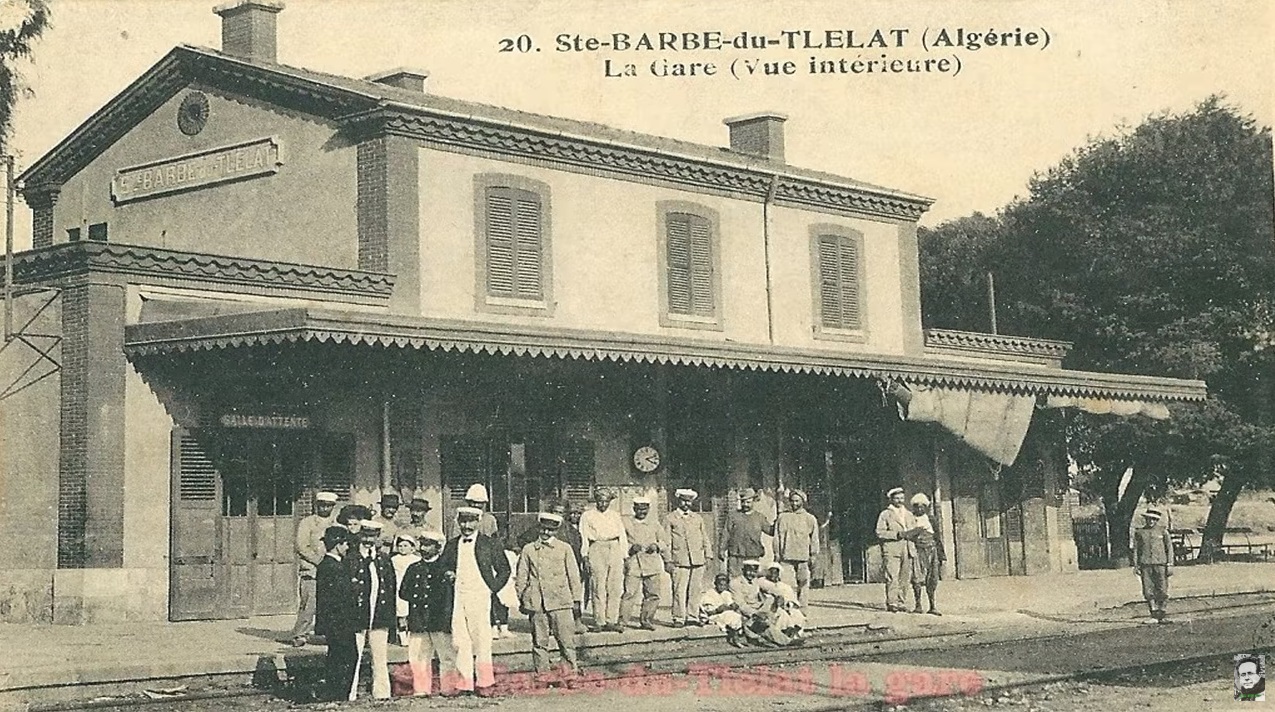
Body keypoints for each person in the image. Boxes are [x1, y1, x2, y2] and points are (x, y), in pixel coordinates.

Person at [439, 506, 511, 697]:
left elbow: (504, 569)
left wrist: (492, 588)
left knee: (482, 640)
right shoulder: (452, 544)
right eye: (463, 521)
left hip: (480, 596)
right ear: (458, 522)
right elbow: (442, 566)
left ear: (478, 522)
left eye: (471, 521)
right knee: (460, 641)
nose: (467, 525)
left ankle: (485, 682)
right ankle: (464, 683)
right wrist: (448, 573)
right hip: (458, 596)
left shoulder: (489, 544)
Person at [516, 512, 583, 679]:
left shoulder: (564, 548)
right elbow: (521, 576)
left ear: (556, 531)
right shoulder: (529, 549)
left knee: (566, 641)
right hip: (537, 602)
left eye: (550, 530)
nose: (546, 533)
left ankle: (569, 673)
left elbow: (574, 575)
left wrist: (576, 600)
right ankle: (542, 674)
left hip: (561, 601)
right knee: (539, 642)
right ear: (539, 528)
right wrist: (523, 598)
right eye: (543, 529)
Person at [399, 531, 457, 697]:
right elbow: (404, 592)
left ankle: (448, 688)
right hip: (419, 619)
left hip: (440, 620)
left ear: (438, 548)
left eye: (428, 545)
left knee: (446, 656)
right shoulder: (414, 568)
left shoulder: (446, 569)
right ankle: (421, 689)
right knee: (419, 657)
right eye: (422, 544)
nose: (424, 548)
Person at [348, 521, 397, 701]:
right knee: (355, 655)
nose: (369, 540)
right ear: (360, 536)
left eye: (373, 536)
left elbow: (391, 587)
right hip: (359, 614)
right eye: (366, 535)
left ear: (378, 538)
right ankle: (350, 693)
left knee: (380, 656)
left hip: (379, 614)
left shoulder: (384, 559)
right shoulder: (351, 558)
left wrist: (392, 616)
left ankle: (382, 693)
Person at [314, 526, 357, 702]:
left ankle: (335, 694)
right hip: (340, 622)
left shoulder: (328, 564)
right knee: (346, 656)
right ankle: (338, 695)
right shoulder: (334, 567)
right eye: (346, 544)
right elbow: (340, 597)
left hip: (335, 622)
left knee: (338, 656)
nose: (347, 547)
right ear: (338, 545)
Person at [291, 491, 338, 647]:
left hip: (332, 571)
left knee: (331, 603)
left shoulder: (336, 523)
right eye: (322, 505)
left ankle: (329, 633)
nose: (325, 508)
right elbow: (301, 545)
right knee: (309, 604)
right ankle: (300, 634)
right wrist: (319, 561)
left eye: (329, 505)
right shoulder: (308, 523)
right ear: (317, 505)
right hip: (312, 570)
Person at [579, 488, 628, 632]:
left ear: (610, 502)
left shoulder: (615, 515)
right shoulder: (588, 516)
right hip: (597, 547)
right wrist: (585, 556)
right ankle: (599, 621)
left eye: (606, 501)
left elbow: (622, 536)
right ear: (596, 501)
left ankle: (611, 620)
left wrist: (624, 556)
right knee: (598, 585)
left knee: (614, 586)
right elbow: (584, 536)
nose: (603, 504)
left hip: (614, 547)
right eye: (600, 501)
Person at [666, 488, 712, 627]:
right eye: (683, 501)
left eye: (689, 501)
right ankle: (679, 618)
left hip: (697, 559)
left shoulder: (697, 518)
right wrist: (668, 560)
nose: (686, 504)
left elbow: (705, 537)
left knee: (695, 589)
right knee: (679, 590)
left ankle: (692, 616)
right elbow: (666, 541)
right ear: (678, 501)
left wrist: (708, 555)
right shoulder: (670, 518)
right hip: (680, 560)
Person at [621, 495, 667, 630]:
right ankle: (623, 621)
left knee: (653, 594)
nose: (642, 512)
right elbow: (621, 542)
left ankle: (646, 619)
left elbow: (665, 541)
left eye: (645, 509)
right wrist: (630, 548)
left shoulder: (655, 524)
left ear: (649, 509)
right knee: (629, 593)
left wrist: (656, 546)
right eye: (639, 509)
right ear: (634, 508)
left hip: (652, 563)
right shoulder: (627, 523)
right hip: (634, 563)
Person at [774, 489, 819, 606]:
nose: (794, 504)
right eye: (792, 501)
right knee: (787, 585)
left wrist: (813, 555)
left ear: (802, 502)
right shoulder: (783, 517)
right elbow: (777, 537)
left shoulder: (810, 519)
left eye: (797, 501)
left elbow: (814, 539)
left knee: (803, 585)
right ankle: (789, 609)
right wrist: (777, 553)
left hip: (803, 557)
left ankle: (802, 611)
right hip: (786, 557)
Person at [875, 487, 916, 613]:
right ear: (891, 499)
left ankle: (901, 602)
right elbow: (879, 532)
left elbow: (913, 529)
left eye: (902, 498)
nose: (900, 500)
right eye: (897, 498)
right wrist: (897, 535)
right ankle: (892, 602)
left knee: (905, 577)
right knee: (892, 576)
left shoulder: (908, 514)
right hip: (892, 549)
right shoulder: (885, 514)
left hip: (907, 548)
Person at [719, 488, 775, 579]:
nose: (745, 505)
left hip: (752, 554)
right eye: (743, 502)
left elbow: (771, 531)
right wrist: (722, 549)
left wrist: (779, 521)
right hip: (735, 555)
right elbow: (726, 533)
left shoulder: (759, 517)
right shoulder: (733, 516)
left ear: (753, 501)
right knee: (734, 580)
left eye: (748, 502)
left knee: (751, 580)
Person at [1131, 507, 1173, 622]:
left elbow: (1169, 548)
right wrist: (1136, 565)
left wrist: (1170, 564)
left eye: (1153, 519)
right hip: (1145, 565)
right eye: (1148, 519)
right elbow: (1136, 550)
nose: (1150, 521)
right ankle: (1153, 615)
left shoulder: (1163, 531)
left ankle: (1162, 614)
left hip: (1161, 564)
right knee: (1148, 590)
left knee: (1163, 590)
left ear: (1157, 520)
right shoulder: (1140, 532)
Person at [909, 493, 945, 615]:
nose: (919, 509)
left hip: (932, 551)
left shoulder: (931, 519)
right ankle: (918, 605)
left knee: (932, 578)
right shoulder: (910, 519)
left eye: (922, 507)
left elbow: (937, 537)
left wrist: (941, 555)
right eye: (917, 507)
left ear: (926, 507)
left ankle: (932, 606)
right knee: (917, 578)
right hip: (917, 551)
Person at [759, 562, 808, 643]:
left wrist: (789, 604)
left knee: (797, 614)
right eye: (771, 572)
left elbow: (792, 600)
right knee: (782, 614)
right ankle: (783, 637)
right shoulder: (762, 582)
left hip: (786, 607)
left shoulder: (784, 586)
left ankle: (794, 635)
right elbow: (770, 590)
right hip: (770, 607)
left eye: (776, 572)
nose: (773, 575)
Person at [698, 573, 744, 647]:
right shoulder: (709, 593)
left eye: (724, 585)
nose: (722, 587)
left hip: (724, 614)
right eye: (720, 585)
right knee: (730, 615)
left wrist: (733, 605)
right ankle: (736, 638)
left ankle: (737, 635)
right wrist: (717, 610)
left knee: (735, 615)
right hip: (713, 616)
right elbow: (708, 611)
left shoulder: (726, 593)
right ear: (715, 584)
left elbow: (730, 603)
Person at [391, 533, 422, 646]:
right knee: (401, 614)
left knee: (412, 613)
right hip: (399, 587)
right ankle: (402, 637)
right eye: (400, 546)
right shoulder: (394, 559)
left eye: (405, 546)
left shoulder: (417, 559)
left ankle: (413, 637)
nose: (402, 548)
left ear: (412, 548)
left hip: (413, 587)